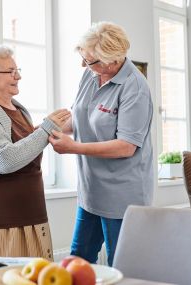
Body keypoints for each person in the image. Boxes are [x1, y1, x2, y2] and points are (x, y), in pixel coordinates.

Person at [49, 22, 154, 266]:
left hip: (122, 196)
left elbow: (126, 145)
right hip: (91, 191)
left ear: (113, 61)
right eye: (84, 59)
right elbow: (79, 117)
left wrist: (73, 147)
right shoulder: (90, 73)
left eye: (89, 61)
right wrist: (43, 129)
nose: (83, 65)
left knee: (121, 264)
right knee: (77, 260)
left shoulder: (135, 87)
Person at [0, 45, 70, 259]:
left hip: (32, 216)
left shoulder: (19, 110)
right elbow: (3, 159)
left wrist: (50, 129)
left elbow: (24, 147)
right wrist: (46, 129)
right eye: (9, 71)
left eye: (17, 70)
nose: (17, 76)